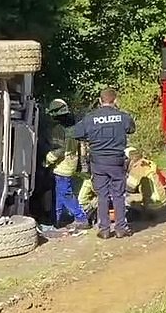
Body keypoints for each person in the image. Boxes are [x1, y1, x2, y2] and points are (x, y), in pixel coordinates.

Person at [70, 87, 136, 239]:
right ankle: (121, 228)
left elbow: (77, 133)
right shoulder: (122, 117)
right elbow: (131, 129)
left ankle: (104, 230)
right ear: (115, 100)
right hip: (117, 161)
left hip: (98, 162)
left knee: (102, 195)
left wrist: (90, 139)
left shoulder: (90, 117)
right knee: (119, 195)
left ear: (100, 101)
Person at [43, 98, 87, 232]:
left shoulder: (58, 129)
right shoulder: (74, 128)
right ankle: (56, 220)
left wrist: (46, 161)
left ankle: (81, 218)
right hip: (71, 164)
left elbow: (59, 150)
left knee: (65, 193)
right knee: (59, 194)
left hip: (62, 167)